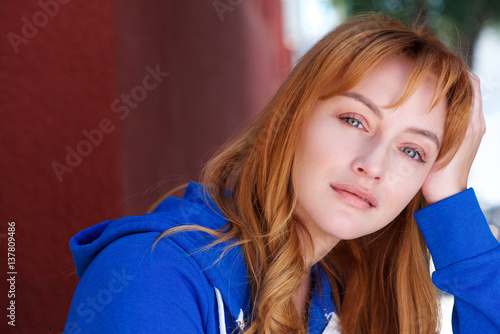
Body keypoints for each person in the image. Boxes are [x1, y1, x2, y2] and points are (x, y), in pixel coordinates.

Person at [64, 14, 500, 334]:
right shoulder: (154, 274)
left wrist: (452, 205)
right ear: (293, 115)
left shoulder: (342, 292)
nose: (374, 165)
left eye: (412, 150)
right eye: (354, 120)